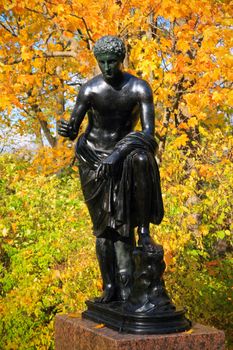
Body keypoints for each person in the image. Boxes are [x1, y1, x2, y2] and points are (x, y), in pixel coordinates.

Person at [58, 35, 164, 303]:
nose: (107, 67)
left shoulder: (139, 88)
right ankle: (109, 287)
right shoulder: (90, 89)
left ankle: (127, 287)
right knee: (103, 227)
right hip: (92, 159)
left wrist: (118, 154)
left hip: (123, 159)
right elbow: (74, 126)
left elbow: (149, 135)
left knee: (123, 224)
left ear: (122, 59)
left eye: (112, 62)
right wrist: (68, 130)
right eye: (102, 62)